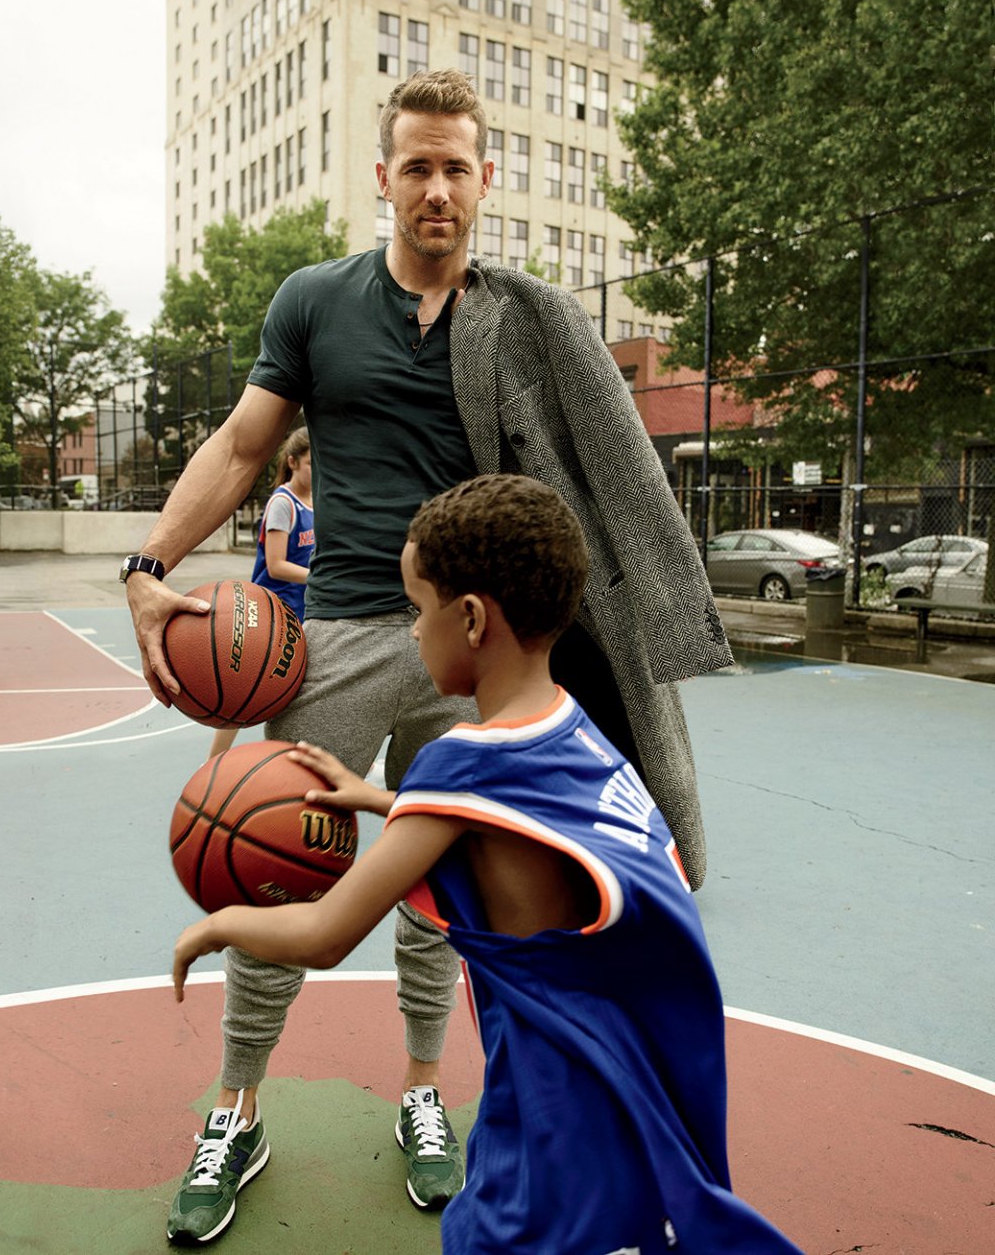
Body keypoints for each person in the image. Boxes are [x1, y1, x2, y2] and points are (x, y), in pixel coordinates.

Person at [121, 67, 730, 1242]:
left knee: (448, 895)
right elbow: (247, 444)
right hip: (348, 631)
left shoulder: (524, 322)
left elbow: (603, 481)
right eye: (418, 167)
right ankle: (239, 1103)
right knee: (279, 862)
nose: (438, 188)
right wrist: (149, 568)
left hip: (478, 643)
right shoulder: (315, 301)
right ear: (384, 178)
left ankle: (420, 1091)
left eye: (458, 167)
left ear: (485, 178)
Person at [173, 475, 795, 1253]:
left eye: (416, 609)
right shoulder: (576, 734)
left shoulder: (459, 766)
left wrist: (216, 927)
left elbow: (327, 935)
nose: (409, 633)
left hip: (547, 1120)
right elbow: (499, 817)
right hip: (633, 1097)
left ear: (469, 619)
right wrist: (375, 798)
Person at [208, 428, 315, 762]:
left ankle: (294, 758)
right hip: (271, 616)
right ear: (293, 462)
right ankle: (211, 764)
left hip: (303, 612)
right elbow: (277, 564)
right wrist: (321, 578)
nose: (319, 469)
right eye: (312, 463)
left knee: (303, 692)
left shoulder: (317, 502)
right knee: (245, 692)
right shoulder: (284, 503)